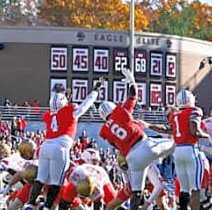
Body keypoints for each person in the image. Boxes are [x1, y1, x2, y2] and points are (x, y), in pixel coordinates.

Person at [97, 69, 175, 210]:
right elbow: (133, 95)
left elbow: (119, 149)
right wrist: (132, 81)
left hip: (132, 157)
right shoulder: (121, 113)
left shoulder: (104, 131)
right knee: (179, 144)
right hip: (144, 145)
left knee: (136, 192)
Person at [24, 78, 102, 210]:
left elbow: (58, 112)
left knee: (40, 179)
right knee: (56, 182)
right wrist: (95, 91)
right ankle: (47, 207)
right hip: (60, 148)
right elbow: (86, 104)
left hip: (45, 147)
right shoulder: (71, 110)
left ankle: (30, 204)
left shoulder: (47, 115)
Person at [163, 90, 209, 210]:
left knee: (184, 189)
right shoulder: (194, 111)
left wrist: (148, 125)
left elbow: (170, 130)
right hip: (191, 149)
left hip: (178, 151)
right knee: (195, 188)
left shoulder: (175, 115)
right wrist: (208, 136)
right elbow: (195, 131)